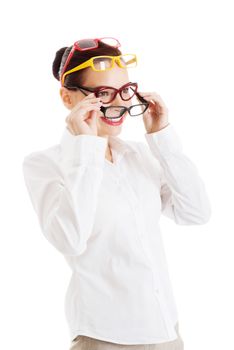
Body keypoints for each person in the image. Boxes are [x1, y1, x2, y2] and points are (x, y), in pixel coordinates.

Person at [22, 37, 211, 350]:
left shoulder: (139, 156)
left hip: (167, 332)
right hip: (104, 338)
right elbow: (70, 238)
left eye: (125, 91)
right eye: (103, 93)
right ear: (68, 98)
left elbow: (196, 213)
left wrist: (161, 136)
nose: (120, 104)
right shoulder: (45, 164)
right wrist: (86, 148)